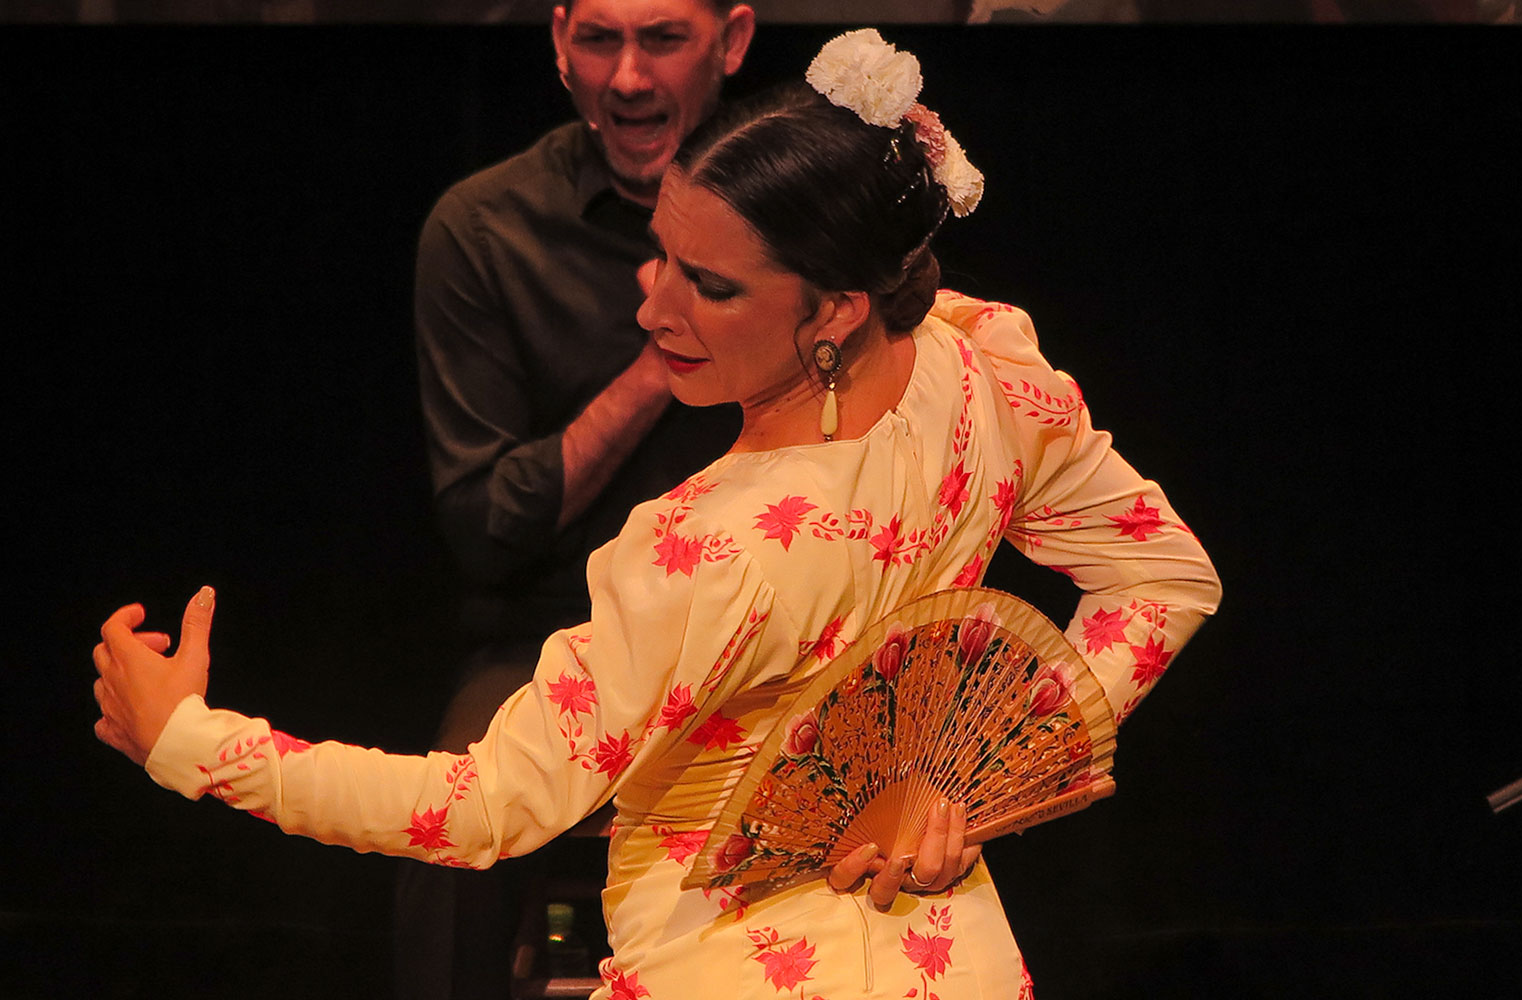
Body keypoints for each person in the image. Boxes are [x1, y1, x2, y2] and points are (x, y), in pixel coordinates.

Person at [93, 29, 1221, 999]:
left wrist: (193, 743)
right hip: (952, 962)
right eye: (662, 258)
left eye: (709, 285)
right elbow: (1164, 577)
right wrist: (954, 779)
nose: (655, 301)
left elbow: (486, 807)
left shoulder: (705, 551)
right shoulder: (985, 370)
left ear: (832, 307)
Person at [407, 1, 752, 993]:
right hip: (556, 636)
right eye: (600, 40)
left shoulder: (795, 207)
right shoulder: (485, 226)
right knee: (452, 827)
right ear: (558, 42)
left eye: (664, 39)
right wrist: (661, 355)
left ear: (729, 40)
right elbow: (484, 529)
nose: (630, 78)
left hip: (769, 625)